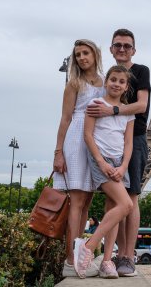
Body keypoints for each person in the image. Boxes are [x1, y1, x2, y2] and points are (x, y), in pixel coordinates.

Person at [87, 29, 151, 277]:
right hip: (107, 146)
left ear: (133, 50)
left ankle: (126, 255)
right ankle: (109, 258)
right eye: (118, 45)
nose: (122, 49)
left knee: (131, 197)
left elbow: (142, 105)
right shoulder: (109, 77)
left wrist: (112, 111)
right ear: (111, 49)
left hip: (133, 139)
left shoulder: (141, 71)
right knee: (114, 201)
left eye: (127, 45)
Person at [74, 65, 136, 279]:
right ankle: (88, 246)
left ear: (126, 87)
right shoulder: (96, 104)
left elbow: (128, 143)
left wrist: (123, 166)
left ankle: (107, 261)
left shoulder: (128, 114)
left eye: (121, 81)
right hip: (102, 161)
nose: (116, 84)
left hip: (119, 163)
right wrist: (101, 163)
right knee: (126, 205)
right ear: (106, 81)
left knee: (114, 210)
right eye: (113, 79)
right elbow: (88, 135)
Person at [53, 39, 104, 278]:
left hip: (97, 140)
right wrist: (58, 151)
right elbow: (65, 118)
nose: (82, 57)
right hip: (76, 140)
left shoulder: (106, 82)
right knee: (76, 201)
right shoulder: (74, 83)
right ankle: (70, 260)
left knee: (86, 203)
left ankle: (79, 255)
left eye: (86, 53)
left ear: (95, 54)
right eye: (78, 54)